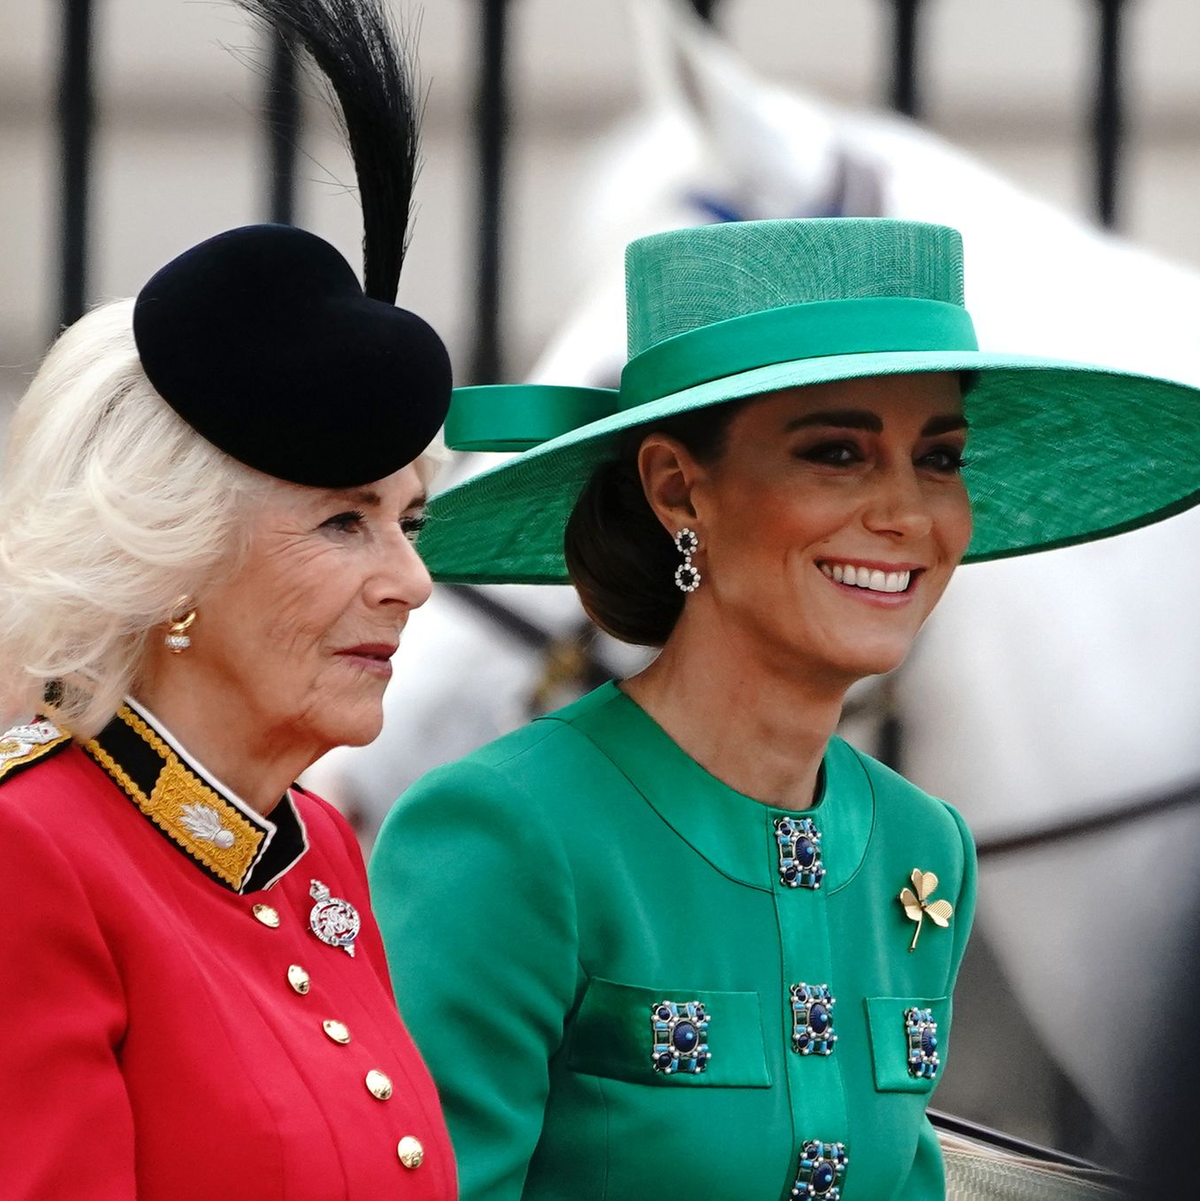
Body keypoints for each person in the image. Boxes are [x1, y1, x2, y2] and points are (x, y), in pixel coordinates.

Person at [367, 217, 1200, 1199]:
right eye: (838, 453)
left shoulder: (920, 844)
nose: (906, 514)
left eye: (939, 458)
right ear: (680, 489)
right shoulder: (506, 832)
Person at [0, 1, 457, 1196]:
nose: (410, 581)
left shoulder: (320, 852)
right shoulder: (29, 852)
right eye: (342, 520)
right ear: (177, 562)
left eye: (408, 521)